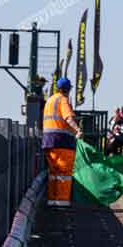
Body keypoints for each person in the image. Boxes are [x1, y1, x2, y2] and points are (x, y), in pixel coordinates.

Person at [42, 78, 82, 207]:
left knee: (54, 173)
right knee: (64, 173)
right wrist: (78, 130)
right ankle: (62, 202)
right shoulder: (63, 100)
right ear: (68, 89)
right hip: (62, 142)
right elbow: (68, 118)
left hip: (49, 142)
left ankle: (52, 200)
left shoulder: (50, 100)